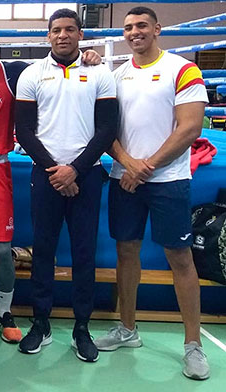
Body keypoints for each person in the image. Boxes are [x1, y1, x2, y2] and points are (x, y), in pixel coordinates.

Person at [0, 22, 101, 343]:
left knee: (0, 249)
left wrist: (86, 57)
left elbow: (55, 63)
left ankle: (5, 311)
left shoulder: (15, 74)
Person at [96, 7, 210, 380]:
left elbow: (190, 127)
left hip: (169, 181)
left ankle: (193, 345)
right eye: (128, 27)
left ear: (157, 29)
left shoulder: (183, 69)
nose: (134, 32)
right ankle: (127, 330)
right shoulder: (117, 75)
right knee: (125, 252)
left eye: (141, 25)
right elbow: (106, 130)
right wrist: (130, 164)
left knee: (180, 258)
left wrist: (145, 168)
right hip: (124, 178)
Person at [15, 9, 118, 362]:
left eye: (69, 29)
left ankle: (82, 327)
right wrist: (56, 171)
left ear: (80, 34)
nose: (62, 35)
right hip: (46, 176)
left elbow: (107, 128)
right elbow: (24, 131)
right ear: (48, 36)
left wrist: (75, 170)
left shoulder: (100, 72)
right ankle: (40, 323)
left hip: (86, 176)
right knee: (43, 250)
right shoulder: (31, 74)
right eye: (56, 30)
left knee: (83, 253)